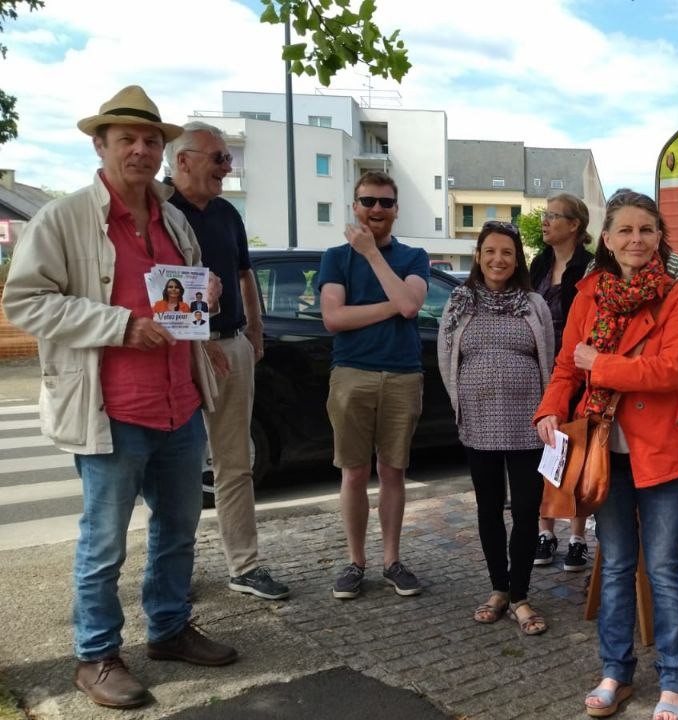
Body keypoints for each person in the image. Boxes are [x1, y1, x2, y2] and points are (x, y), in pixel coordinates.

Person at [2, 85, 237, 709]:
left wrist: (204, 308)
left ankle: (167, 629)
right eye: (126, 138)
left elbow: (180, 304)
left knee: (180, 529)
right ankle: (96, 654)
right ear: (99, 144)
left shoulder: (175, 220)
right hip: (112, 408)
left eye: (151, 140)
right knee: (104, 539)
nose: (140, 149)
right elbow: (23, 301)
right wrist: (118, 324)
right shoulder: (64, 217)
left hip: (179, 401)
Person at [535, 189, 678, 720]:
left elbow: (669, 372)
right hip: (604, 451)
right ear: (606, 239)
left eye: (647, 230)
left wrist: (601, 363)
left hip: (665, 453)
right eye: (626, 230)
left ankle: (675, 682)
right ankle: (616, 671)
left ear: (659, 239)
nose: (636, 239)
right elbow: (568, 366)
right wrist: (548, 409)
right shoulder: (587, 294)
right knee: (615, 566)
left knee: (663, 568)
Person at [166, 121, 288, 601]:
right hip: (181, 351)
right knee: (174, 468)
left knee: (234, 463)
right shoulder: (160, 215)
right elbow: (163, 295)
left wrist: (254, 331)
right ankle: (173, 572)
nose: (227, 166)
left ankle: (244, 566)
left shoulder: (226, 214)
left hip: (232, 345)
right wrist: (200, 339)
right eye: (218, 158)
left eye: (226, 158)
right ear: (184, 160)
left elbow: (244, 275)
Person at [318, 170, 430, 600]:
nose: (376, 210)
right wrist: (394, 303)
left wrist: (371, 255)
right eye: (368, 202)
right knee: (354, 472)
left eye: (385, 202)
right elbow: (334, 318)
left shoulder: (414, 256)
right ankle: (355, 562)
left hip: (402, 374)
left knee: (393, 471)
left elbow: (411, 305)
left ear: (397, 209)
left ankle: (391, 561)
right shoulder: (333, 257)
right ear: (355, 206)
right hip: (352, 372)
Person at [439, 221, 555, 635]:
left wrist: (548, 412)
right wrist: (460, 403)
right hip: (479, 420)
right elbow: (446, 355)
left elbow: (550, 359)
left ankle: (521, 594)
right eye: (490, 251)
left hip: (528, 422)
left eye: (506, 252)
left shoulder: (534, 304)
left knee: (526, 509)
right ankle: (498, 589)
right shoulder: (459, 302)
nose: (497, 259)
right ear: (478, 255)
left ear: (517, 259)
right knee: (488, 507)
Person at [530, 193, 595, 572]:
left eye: (554, 216)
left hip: (575, 372)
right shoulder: (538, 263)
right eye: (546, 215)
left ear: (574, 225)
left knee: (577, 455)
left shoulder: (588, 268)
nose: (546, 221)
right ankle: (545, 531)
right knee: (545, 455)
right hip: (540, 371)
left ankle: (577, 537)